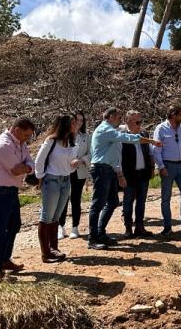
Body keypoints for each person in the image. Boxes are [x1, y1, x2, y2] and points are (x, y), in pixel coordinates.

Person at [89, 107, 161, 250]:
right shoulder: (106, 130)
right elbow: (128, 138)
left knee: (113, 201)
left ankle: (101, 233)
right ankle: (93, 238)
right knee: (98, 204)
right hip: (101, 169)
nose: (120, 120)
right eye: (118, 117)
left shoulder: (111, 132)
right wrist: (151, 141)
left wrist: (118, 173)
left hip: (107, 169)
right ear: (110, 117)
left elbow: (114, 155)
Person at [0, 117, 35, 283]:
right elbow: (16, 171)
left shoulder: (20, 143)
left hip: (11, 190)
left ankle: (4, 259)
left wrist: (26, 167)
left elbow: (29, 163)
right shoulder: (3, 145)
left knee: (14, 225)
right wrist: (26, 168)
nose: (28, 139)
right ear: (16, 130)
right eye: (26, 135)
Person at [35, 114, 78, 263]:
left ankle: (54, 249)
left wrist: (73, 165)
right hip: (51, 180)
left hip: (66, 180)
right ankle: (45, 253)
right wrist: (40, 177)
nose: (75, 126)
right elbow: (39, 161)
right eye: (73, 123)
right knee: (46, 217)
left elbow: (69, 165)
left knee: (55, 217)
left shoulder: (70, 142)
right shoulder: (51, 141)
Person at [153, 104, 181, 235]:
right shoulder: (161, 128)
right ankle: (167, 227)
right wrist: (161, 166)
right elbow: (156, 150)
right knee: (166, 197)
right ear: (173, 115)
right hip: (168, 166)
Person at [120, 110, 154, 238]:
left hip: (143, 173)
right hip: (129, 174)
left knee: (141, 201)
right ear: (128, 122)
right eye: (137, 121)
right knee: (128, 201)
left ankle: (140, 226)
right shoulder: (122, 136)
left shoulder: (144, 133)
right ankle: (128, 227)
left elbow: (150, 152)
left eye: (141, 121)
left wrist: (152, 168)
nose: (140, 124)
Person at [58, 110, 91, 240]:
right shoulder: (63, 136)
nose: (79, 123)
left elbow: (91, 153)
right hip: (65, 171)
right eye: (76, 120)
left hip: (79, 171)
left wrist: (82, 160)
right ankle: (61, 227)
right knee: (63, 199)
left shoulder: (86, 137)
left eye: (81, 121)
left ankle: (75, 227)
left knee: (76, 199)